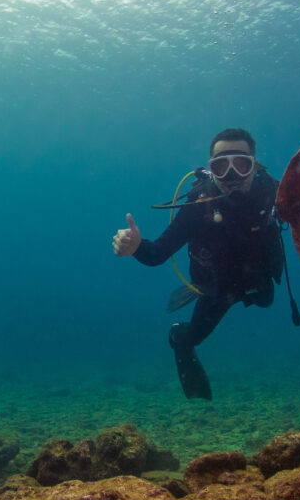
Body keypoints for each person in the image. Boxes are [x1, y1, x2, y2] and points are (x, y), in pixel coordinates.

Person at [112, 128, 286, 400]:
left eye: (241, 164)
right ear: (211, 170)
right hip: (217, 288)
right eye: (221, 166)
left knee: (266, 300)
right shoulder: (198, 206)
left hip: (257, 281)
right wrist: (136, 247)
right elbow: (156, 253)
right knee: (193, 337)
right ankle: (179, 338)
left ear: (255, 166)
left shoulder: (275, 194)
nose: (231, 176)